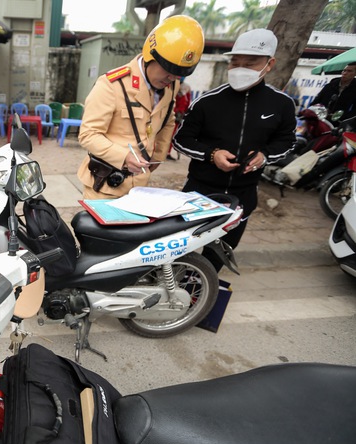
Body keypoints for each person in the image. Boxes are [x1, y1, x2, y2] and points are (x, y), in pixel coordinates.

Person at [172, 28, 297, 271]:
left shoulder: (281, 104)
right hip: (199, 193)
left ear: (269, 64)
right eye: (235, 62)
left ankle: (199, 295)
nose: (240, 69)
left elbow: (287, 141)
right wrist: (211, 154)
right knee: (179, 249)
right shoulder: (207, 102)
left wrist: (264, 156)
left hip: (243, 195)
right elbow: (181, 139)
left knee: (218, 254)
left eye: (250, 63)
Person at [76, 15, 204, 200]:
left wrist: (157, 157)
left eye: (178, 74)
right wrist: (124, 157)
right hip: (104, 187)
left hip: (140, 186)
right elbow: (88, 135)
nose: (171, 78)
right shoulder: (113, 85)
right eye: (167, 70)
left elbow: (168, 120)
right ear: (150, 55)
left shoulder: (171, 86)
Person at [167, 77, 193, 160]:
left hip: (179, 114)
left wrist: (185, 113)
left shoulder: (186, 87)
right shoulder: (170, 85)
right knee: (166, 134)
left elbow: (187, 101)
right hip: (171, 112)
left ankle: (167, 152)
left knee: (173, 134)